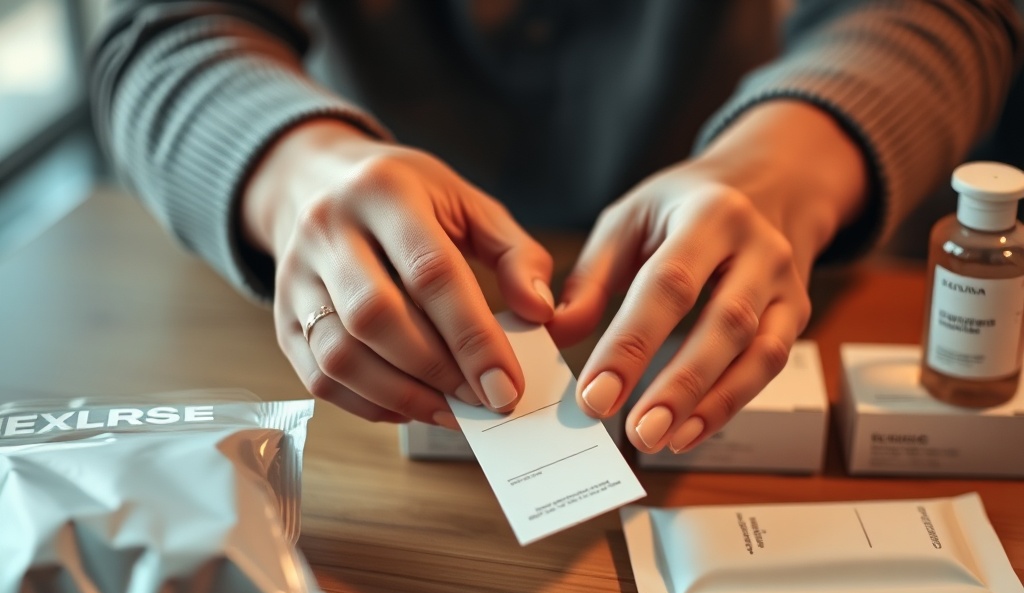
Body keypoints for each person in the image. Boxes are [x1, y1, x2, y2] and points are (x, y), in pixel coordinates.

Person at [90, 1, 1022, 454]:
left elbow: (955, 9)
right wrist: (294, 170)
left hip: (780, 279)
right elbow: (158, 28)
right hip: (359, 320)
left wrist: (786, 165)